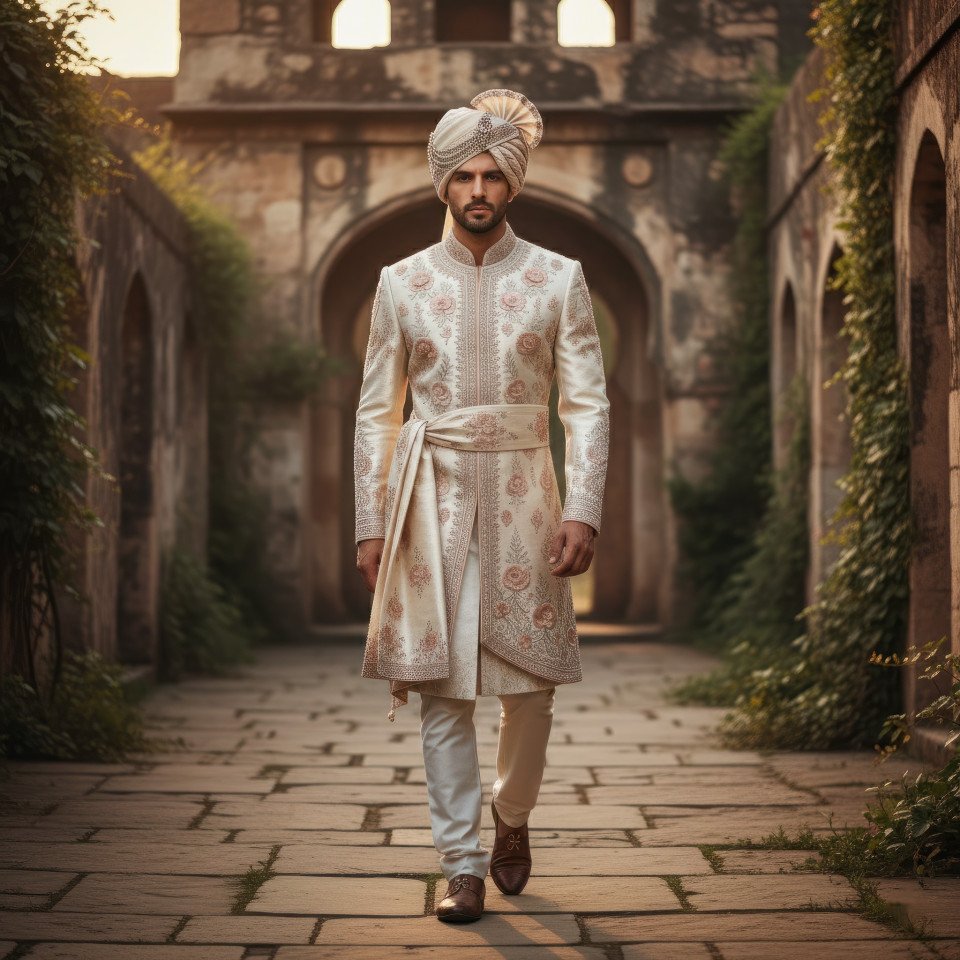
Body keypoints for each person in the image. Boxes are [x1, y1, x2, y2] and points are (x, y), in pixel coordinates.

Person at [353, 89, 610, 923]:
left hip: (529, 495)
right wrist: (369, 521)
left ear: (513, 185)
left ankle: (512, 818)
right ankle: (460, 864)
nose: (477, 189)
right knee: (442, 690)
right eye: (462, 174)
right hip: (428, 504)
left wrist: (587, 509)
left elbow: (588, 405)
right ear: (442, 184)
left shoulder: (559, 278)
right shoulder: (400, 282)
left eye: (492, 175)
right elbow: (374, 411)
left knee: (531, 689)